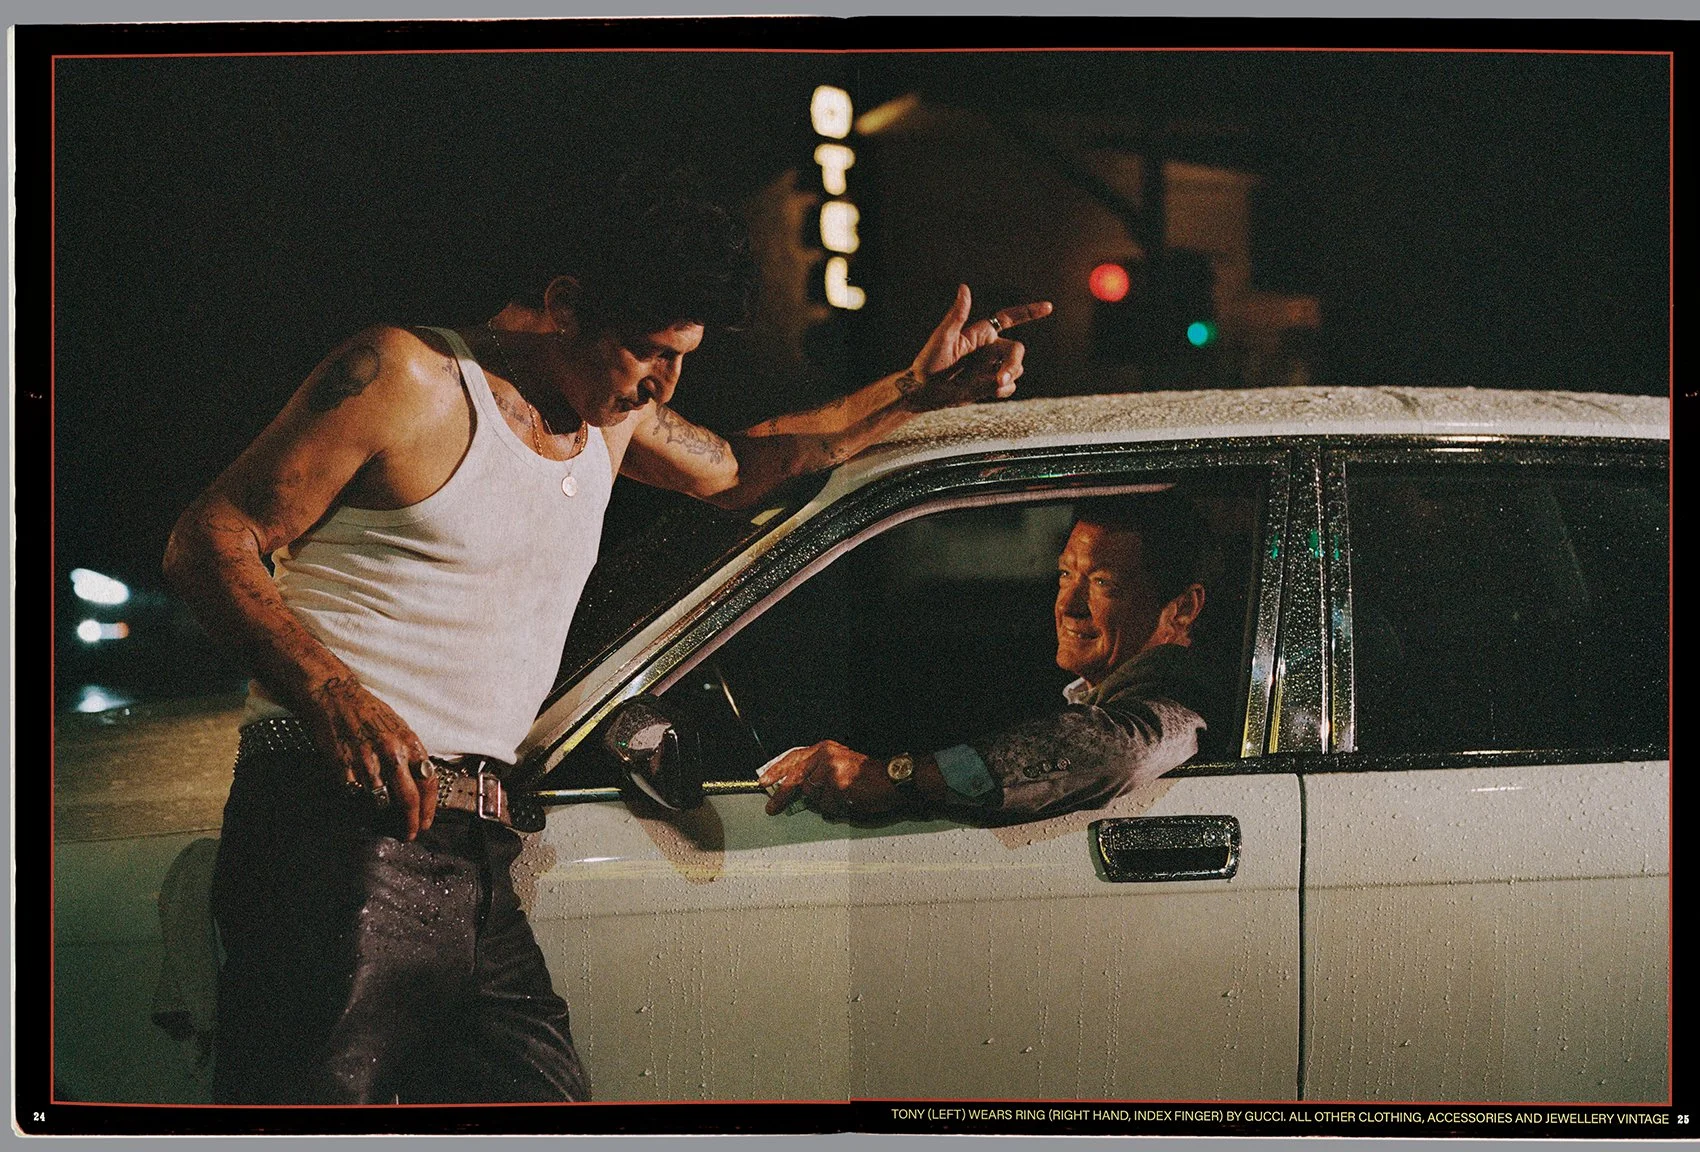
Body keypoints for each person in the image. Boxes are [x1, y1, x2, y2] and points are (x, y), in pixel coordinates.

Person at [161, 184, 1052, 1104]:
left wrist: (914, 393)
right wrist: (331, 690)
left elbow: (745, 468)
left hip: (479, 846)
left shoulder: (611, 420)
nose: (663, 383)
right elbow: (210, 539)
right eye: (650, 350)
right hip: (334, 823)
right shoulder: (407, 376)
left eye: (682, 357)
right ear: (565, 302)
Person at [759, 493, 1218, 822]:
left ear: (1182, 608)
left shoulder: (1177, 703)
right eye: (1065, 575)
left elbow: (1121, 750)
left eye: (1104, 584)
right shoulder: (1112, 697)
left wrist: (892, 778)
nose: (1070, 605)